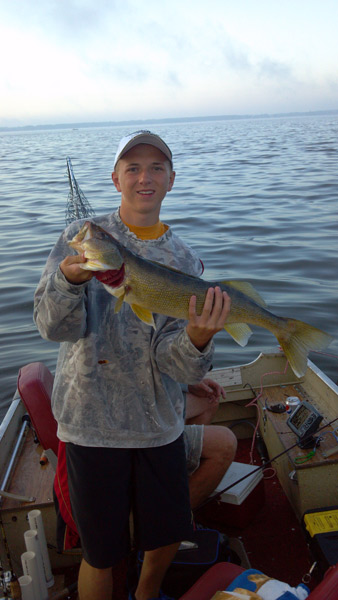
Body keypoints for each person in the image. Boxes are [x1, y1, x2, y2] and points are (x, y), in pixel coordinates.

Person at [34, 130, 231, 600]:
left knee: (165, 533)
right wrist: (67, 278)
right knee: (101, 552)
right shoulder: (81, 239)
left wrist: (199, 338)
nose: (145, 177)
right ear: (116, 179)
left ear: (171, 180)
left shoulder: (183, 259)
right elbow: (52, 328)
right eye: (133, 168)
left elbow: (174, 362)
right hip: (90, 425)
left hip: (156, 425)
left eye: (156, 168)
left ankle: (146, 595)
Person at [184, 380, 237, 510]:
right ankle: (177, 521)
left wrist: (189, 385)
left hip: (154, 406)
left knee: (209, 398)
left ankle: (183, 479)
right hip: (141, 430)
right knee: (224, 443)